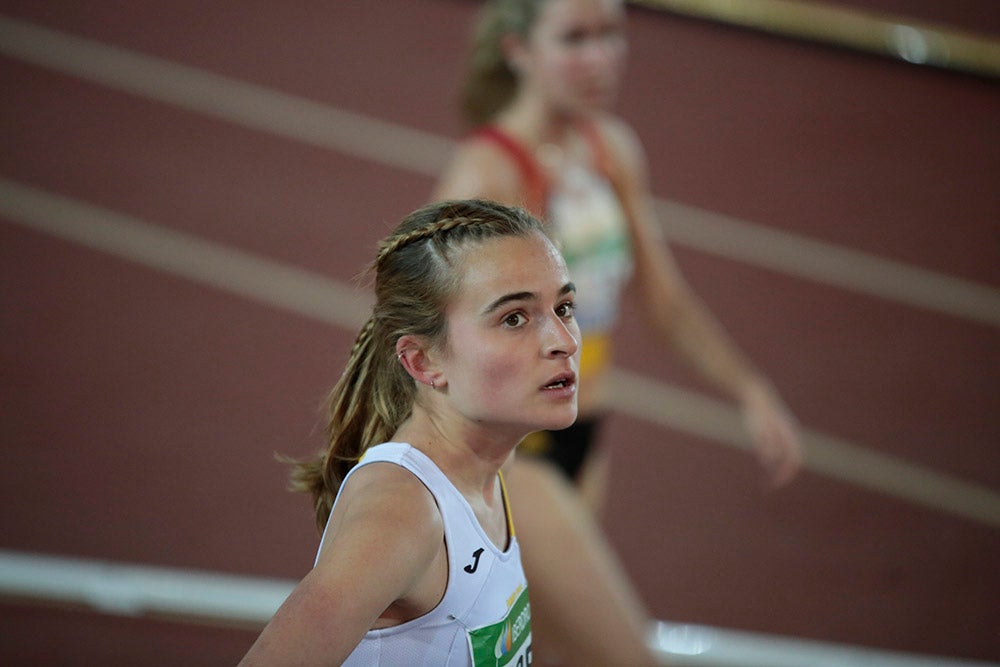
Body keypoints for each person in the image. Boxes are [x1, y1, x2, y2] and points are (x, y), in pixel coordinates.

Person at [432, 0, 804, 663]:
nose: (600, 57)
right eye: (575, 38)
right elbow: (420, 323)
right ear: (519, 49)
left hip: (584, 436)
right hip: (517, 454)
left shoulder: (610, 150)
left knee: (542, 650)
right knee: (627, 654)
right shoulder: (487, 174)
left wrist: (750, 388)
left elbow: (662, 296)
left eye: (611, 35)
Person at [240, 199, 580, 665]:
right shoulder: (404, 511)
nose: (564, 340)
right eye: (514, 318)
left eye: (564, 306)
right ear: (423, 361)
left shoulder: (489, 471)